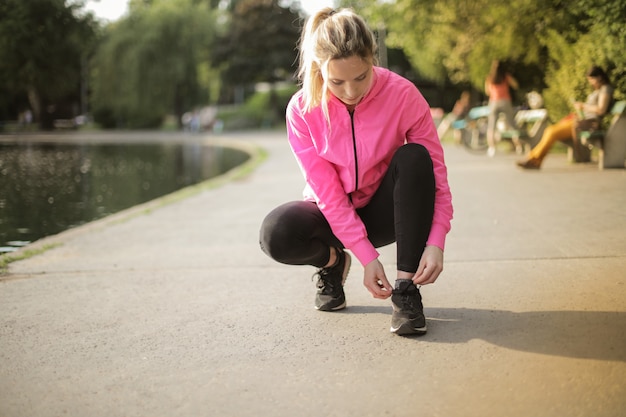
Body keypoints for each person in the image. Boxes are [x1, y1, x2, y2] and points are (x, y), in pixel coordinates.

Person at [258, 8, 453, 336]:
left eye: (361, 77)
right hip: (333, 218)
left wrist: (436, 240)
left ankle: (405, 292)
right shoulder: (302, 109)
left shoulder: (403, 95)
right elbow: (329, 193)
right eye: (337, 81)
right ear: (320, 70)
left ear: (372, 58)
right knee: (276, 233)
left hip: (387, 212)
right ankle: (334, 263)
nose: (350, 91)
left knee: (415, 157)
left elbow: (436, 175)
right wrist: (364, 257)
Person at [517, 66, 613, 169]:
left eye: (591, 79)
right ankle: (535, 160)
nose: (591, 83)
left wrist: (583, 106)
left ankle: (534, 159)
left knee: (552, 132)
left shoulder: (605, 89)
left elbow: (601, 109)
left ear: (599, 77)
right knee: (550, 130)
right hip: (581, 120)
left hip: (589, 123)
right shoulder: (599, 90)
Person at [485, 60, 519, 157]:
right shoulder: (505, 76)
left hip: (494, 102)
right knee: (512, 124)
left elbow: (487, 92)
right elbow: (515, 85)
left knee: (491, 126)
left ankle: (492, 148)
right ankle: (518, 146)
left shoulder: (490, 78)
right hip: (505, 101)